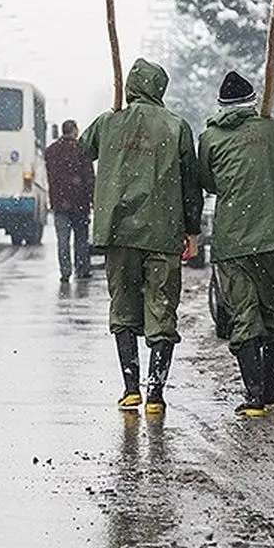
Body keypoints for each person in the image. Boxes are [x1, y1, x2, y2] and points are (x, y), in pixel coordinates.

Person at [79, 58, 203, 415]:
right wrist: (191, 230)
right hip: (162, 233)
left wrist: (111, 119)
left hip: (119, 233)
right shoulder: (177, 127)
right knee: (162, 309)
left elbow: (84, 150)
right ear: (160, 88)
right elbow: (190, 184)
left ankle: (130, 388)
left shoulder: (109, 122)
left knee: (123, 306)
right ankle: (156, 393)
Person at [198, 71, 274, 418]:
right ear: (253, 100)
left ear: (221, 105)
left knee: (243, 315)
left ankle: (253, 395)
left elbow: (209, 182)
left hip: (234, 241)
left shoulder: (210, 138)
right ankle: (271, 389)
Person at [45, 118, 96, 283]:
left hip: (60, 204)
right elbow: (89, 178)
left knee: (63, 240)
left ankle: (65, 272)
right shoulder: (81, 150)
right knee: (81, 239)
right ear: (74, 131)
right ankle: (81, 269)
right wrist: (92, 198)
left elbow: (51, 177)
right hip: (79, 203)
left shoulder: (51, 151)